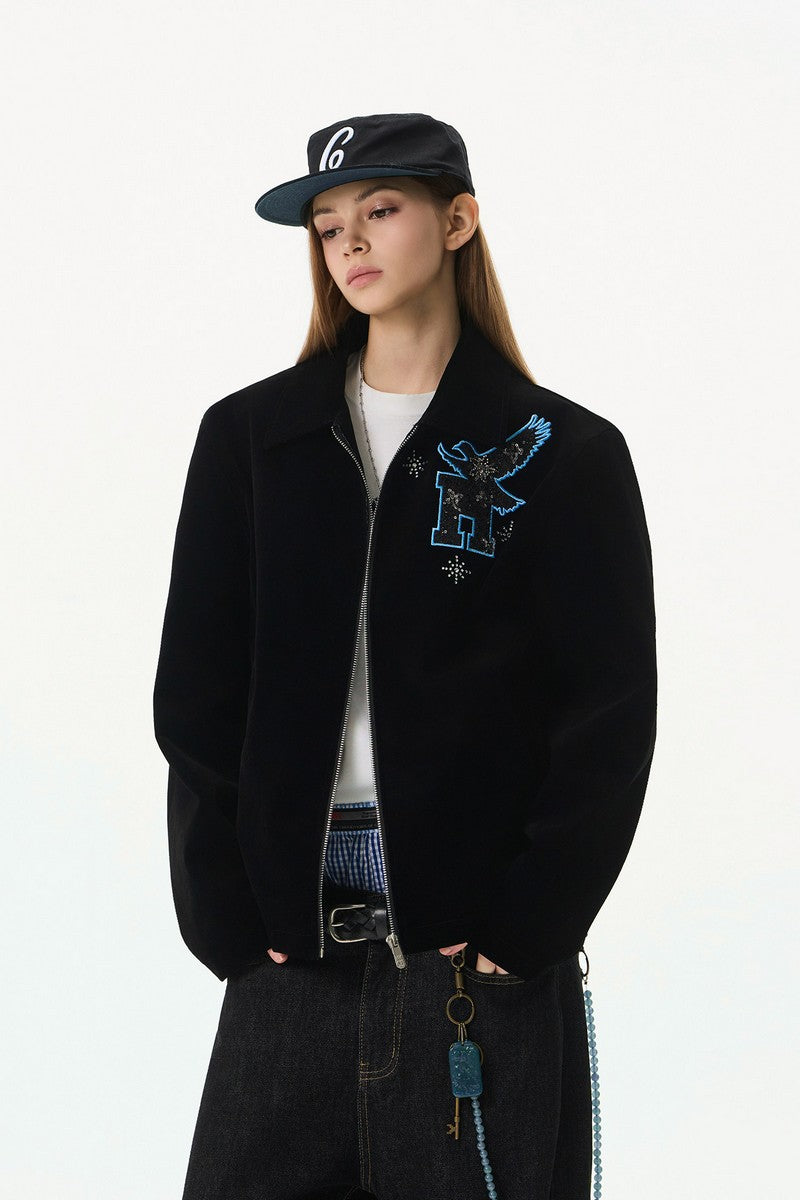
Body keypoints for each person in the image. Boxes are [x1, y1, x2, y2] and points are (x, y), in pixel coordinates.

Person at [153, 112, 657, 1200]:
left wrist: (527, 928)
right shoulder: (252, 441)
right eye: (328, 223)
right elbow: (195, 695)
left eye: (381, 210)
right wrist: (226, 916)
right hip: (288, 950)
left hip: (476, 956)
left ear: (458, 221)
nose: (349, 241)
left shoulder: (560, 452)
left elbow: (607, 717)